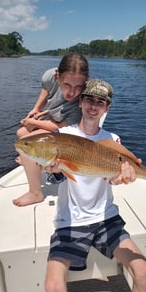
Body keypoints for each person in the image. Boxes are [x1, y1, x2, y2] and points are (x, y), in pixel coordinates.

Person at [44, 79, 146, 292]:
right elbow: (55, 179)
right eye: (89, 99)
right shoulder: (62, 135)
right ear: (80, 102)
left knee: (143, 273)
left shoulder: (113, 139)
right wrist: (56, 170)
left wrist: (125, 177)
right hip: (70, 222)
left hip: (105, 219)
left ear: (106, 109)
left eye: (100, 102)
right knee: (53, 287)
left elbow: (113, 178)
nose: (93, 106)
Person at [13, 53, 89, 206]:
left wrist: (34, 123)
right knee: (21, 132)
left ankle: (35, 193)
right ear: (58, 76)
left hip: (70, 130)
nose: (72, 92)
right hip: (55, 119)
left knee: (28, 143)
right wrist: (36, 109)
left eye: (78, 87)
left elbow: (60, 128)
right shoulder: (49, 75)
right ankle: (35, 163)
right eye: (67, 85)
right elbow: (45, 91)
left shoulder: (80, 102)